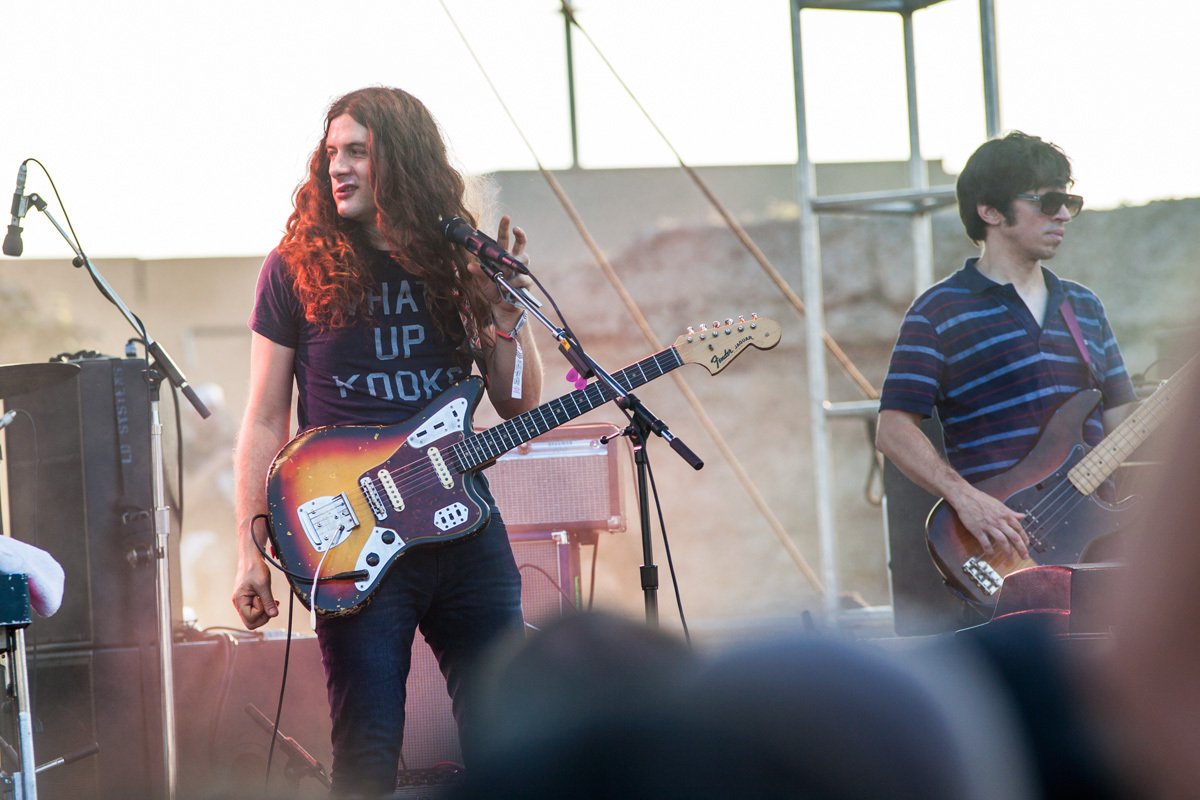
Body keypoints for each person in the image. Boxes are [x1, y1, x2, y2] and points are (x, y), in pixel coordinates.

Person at [230, 86, 544, 797]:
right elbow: (264, 417)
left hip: (464, 532)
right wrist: (250, 549)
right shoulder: (293, 268)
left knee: (510, 740)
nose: (337, 167)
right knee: (367, 754)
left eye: (358, 152)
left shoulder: (458, 263)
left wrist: (506, 319)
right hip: (353, 538)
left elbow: (518, 402)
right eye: (331, 153)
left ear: (401, 161)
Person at [876, 131, 1137, 566]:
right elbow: (893, 430)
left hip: (1098, 547)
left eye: (1069, 202)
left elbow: (1122, 422)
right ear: (990, 211)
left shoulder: (1084, 306)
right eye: (1048, 201)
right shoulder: (938, 312)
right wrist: (965, 498)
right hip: (1004, 550)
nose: (1063, 215)